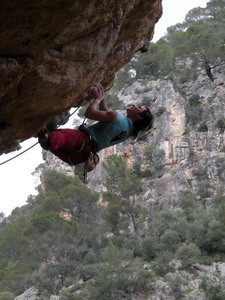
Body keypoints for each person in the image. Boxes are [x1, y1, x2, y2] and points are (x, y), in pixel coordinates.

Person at [38, 84, 154, 174]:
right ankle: (47, 136)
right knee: (50, 142)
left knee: (60, 137)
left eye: (138, 108)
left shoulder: (117, 116)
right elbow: (107, 115)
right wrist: (101, 97)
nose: (134, 106)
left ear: (139, 116)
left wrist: (97, 100)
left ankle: (48, 137)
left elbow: (90, 114)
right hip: (79, 157)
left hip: (82, 141)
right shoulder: (128, 132)